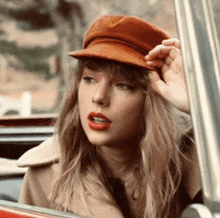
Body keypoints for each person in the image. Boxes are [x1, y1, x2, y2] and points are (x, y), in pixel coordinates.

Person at [18, 15, 201, 218]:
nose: (99, 97)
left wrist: (198, 103)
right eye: (89, 79)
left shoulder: (197, 160)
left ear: (152, 101)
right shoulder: (44, 174)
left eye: (123, 85)